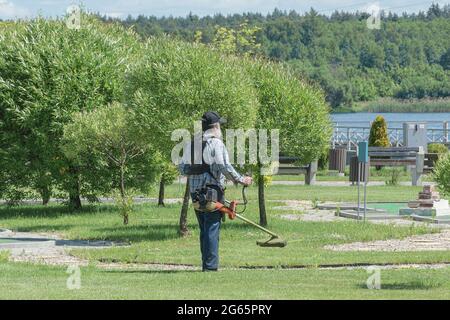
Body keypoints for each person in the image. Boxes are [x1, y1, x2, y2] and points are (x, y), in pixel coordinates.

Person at [179, 111, 252, 272]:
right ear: (216, 127)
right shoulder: (217, 144)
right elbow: (224, 167)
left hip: (195, 194)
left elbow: (182, 168)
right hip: (212, 192)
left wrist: (198, 170)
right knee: (212, 228)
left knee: (205, 229)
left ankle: (206, 265)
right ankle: (210, 268)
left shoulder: (191, 144)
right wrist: (241, 179)